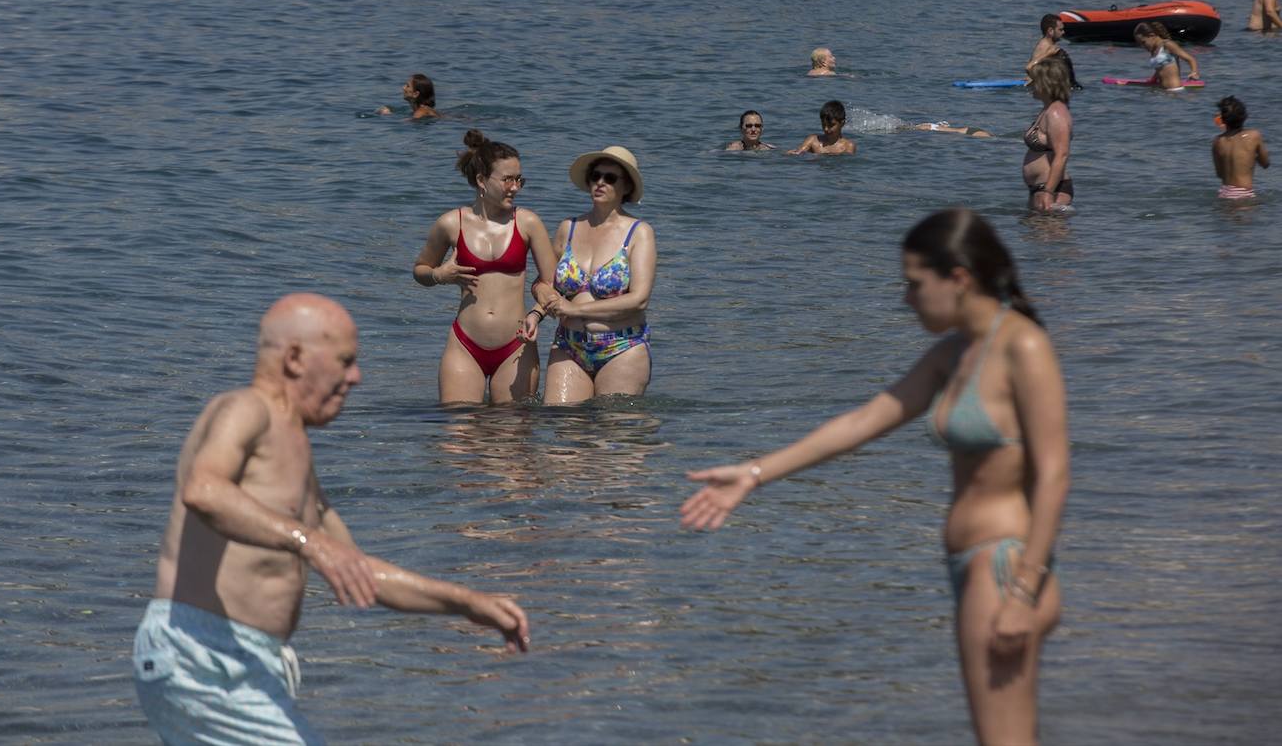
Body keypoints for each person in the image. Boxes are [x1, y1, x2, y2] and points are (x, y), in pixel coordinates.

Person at [681, 208, 1068, 746]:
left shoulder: (1023, 346)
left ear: (958, 277)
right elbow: (863, 421)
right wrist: (754, 474)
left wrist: (1023, 592)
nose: (906, 299)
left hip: (1004, 566)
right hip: (977, 567)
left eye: (914, 285)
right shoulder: (953, 354)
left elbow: (1054, 475)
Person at [133, 294, 530, 745]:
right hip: (201, 656)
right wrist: (311, 543)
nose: (356, 377)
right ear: (296, 358)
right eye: (345, 362)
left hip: (243, 662)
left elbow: (362, 572)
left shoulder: (295, 453)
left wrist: (468, 603)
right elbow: (204, 491)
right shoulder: (244, 409)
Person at [413, 130, 558, 405]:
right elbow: (420, 270)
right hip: (464, 346)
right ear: (481, 180)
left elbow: (552, 282)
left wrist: (537, 314)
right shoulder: (450, 223)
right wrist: (438, 275)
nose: (515, 187)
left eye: (519, 179)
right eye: (507, 179)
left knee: (509, 441)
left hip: (516, 346)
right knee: (455, 436)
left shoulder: (528, 223)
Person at [542, 147, 656, 404]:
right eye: (595, 176)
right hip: (568, 344)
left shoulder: (639, 232)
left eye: (610, 178)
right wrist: (536, 313)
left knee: (612, 435)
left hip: (622, 346)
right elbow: (546, 283)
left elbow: (639, 299)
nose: (600, 183)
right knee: (562, 431)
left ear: (625, 186)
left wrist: (573, 311)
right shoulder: (567, 228)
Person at [1022, 58, 1074, 212]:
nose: (1029, 85)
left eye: (1034, 81)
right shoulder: (1047, 110)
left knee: (1048, 235)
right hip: (1039, 188)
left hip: (1052, 189)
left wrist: (1048, 192)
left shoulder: (1056, 113)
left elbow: (1062, 154)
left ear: (1047, 83)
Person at [1212, 95, 1270, 199]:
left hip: (1224, 193)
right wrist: (1253, 156)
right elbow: (1265, 164)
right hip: (1243, 194)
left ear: (1223, 120)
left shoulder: (1217, 141)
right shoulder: (1254, 136)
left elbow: (1220, 174)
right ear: (1244, 116)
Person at [1133, 21, 1200, 89]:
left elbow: (1190, 59)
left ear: (1152, 35)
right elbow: (1160, 68)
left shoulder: (1168, 45)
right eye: (1140, 44)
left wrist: (1194, 72)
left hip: (1175, 91)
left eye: (1143, 42)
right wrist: (1153, 79)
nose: (1143, 46)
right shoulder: (1154, 50)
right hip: (1162, 92)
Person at [788, 100, 856, 155]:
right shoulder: (813, 140)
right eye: (823, 125)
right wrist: (790, 154)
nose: (826, 129)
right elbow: (798, 153)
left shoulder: (848, 146)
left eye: (831, 125)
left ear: (842, 123)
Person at [907, 122, 994, 138]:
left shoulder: (928, 127)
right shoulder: (930, 126)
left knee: (992, 138)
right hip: (968, 131)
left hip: (967, 131)